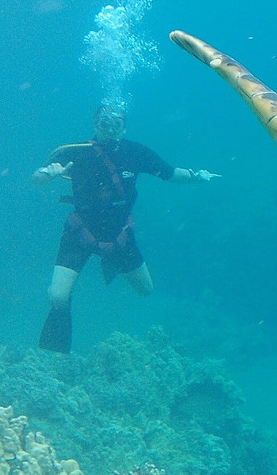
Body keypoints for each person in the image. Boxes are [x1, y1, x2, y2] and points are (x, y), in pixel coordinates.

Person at [32, 105, 219, 353]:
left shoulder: (136, 152)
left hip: (120, 235)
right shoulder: (75, 152)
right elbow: (38, 177)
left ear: (124, 128)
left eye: (116, 124)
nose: (110, 129)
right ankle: (55, 348)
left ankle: (110, 260)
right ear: (95, 125)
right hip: (80, 233)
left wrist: (197, 177)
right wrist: (48, 174)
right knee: (57, 297)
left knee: (146, 290)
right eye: (104, 123)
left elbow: (170, 173)